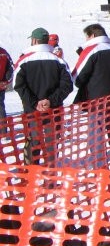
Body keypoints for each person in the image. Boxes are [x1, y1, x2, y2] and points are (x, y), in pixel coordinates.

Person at [13, 27, 73, 164]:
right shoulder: (58, 60)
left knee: (33, 141)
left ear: (34, 41)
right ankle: (50, 179)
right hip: (54, 110)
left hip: (32, 111)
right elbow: (68, 85)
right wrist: (51, 101)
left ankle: (31, 174)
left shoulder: (24, 60)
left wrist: (34, 103)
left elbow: (19, 85)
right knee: (51, 145)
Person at [71, 24, 110, 167]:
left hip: (96, 102)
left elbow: (77, 77)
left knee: (96, 138)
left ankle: (100, 169)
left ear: (92, 35)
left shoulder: (91, 50)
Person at [0, 45, 13, 134]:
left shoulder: (4, 53)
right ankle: (3, 132)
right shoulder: (4, 53)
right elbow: (11, 68)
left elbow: (11, 68)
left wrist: (5, 81)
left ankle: (3, 132)